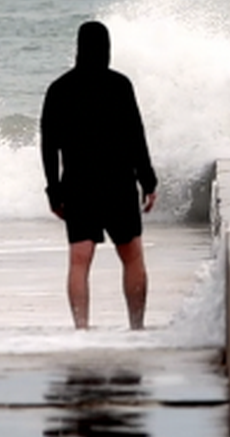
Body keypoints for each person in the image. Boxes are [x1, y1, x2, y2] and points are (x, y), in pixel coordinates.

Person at [40, 21, 157, 331]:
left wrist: (54, 191)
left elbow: (49, 146)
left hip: (79, 185)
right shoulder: (120, 85)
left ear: (78, 48)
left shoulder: (59, 89)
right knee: (132, 255)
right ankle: (136, 327)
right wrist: (148, 181)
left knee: (79, 259)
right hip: (118, 182)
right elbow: (136, 136)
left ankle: (82, 329)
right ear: (107, 48)